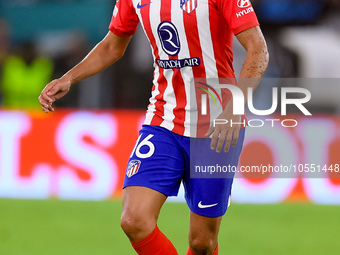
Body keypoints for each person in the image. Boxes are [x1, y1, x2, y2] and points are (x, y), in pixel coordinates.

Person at [39, 0, 269, 254]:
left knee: (202, 243)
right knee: (133, 220)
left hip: (216, 126)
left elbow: (258, 49)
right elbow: (112, 46)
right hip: (163, 120)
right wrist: (69, 77)